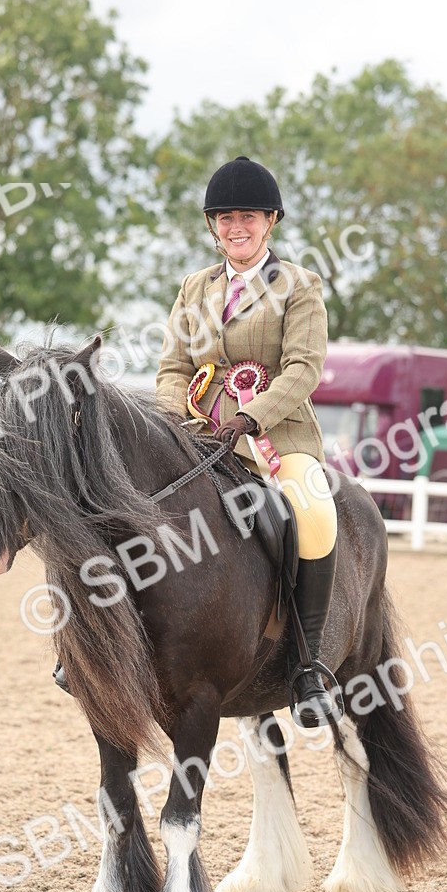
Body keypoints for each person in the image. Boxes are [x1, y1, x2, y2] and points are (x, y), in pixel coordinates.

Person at [155, 155, 339, 727]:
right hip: (197, 437)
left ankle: (308, 666)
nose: (237, 226)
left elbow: (303, 368)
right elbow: (172, 368)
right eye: (226, 217)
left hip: (275, 438)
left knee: (314, 515)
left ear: (271, 220)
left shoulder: (300, 287)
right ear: (213, 226)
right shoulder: (194, 288)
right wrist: (173, 425)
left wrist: (251, 418)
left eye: (249, 216)